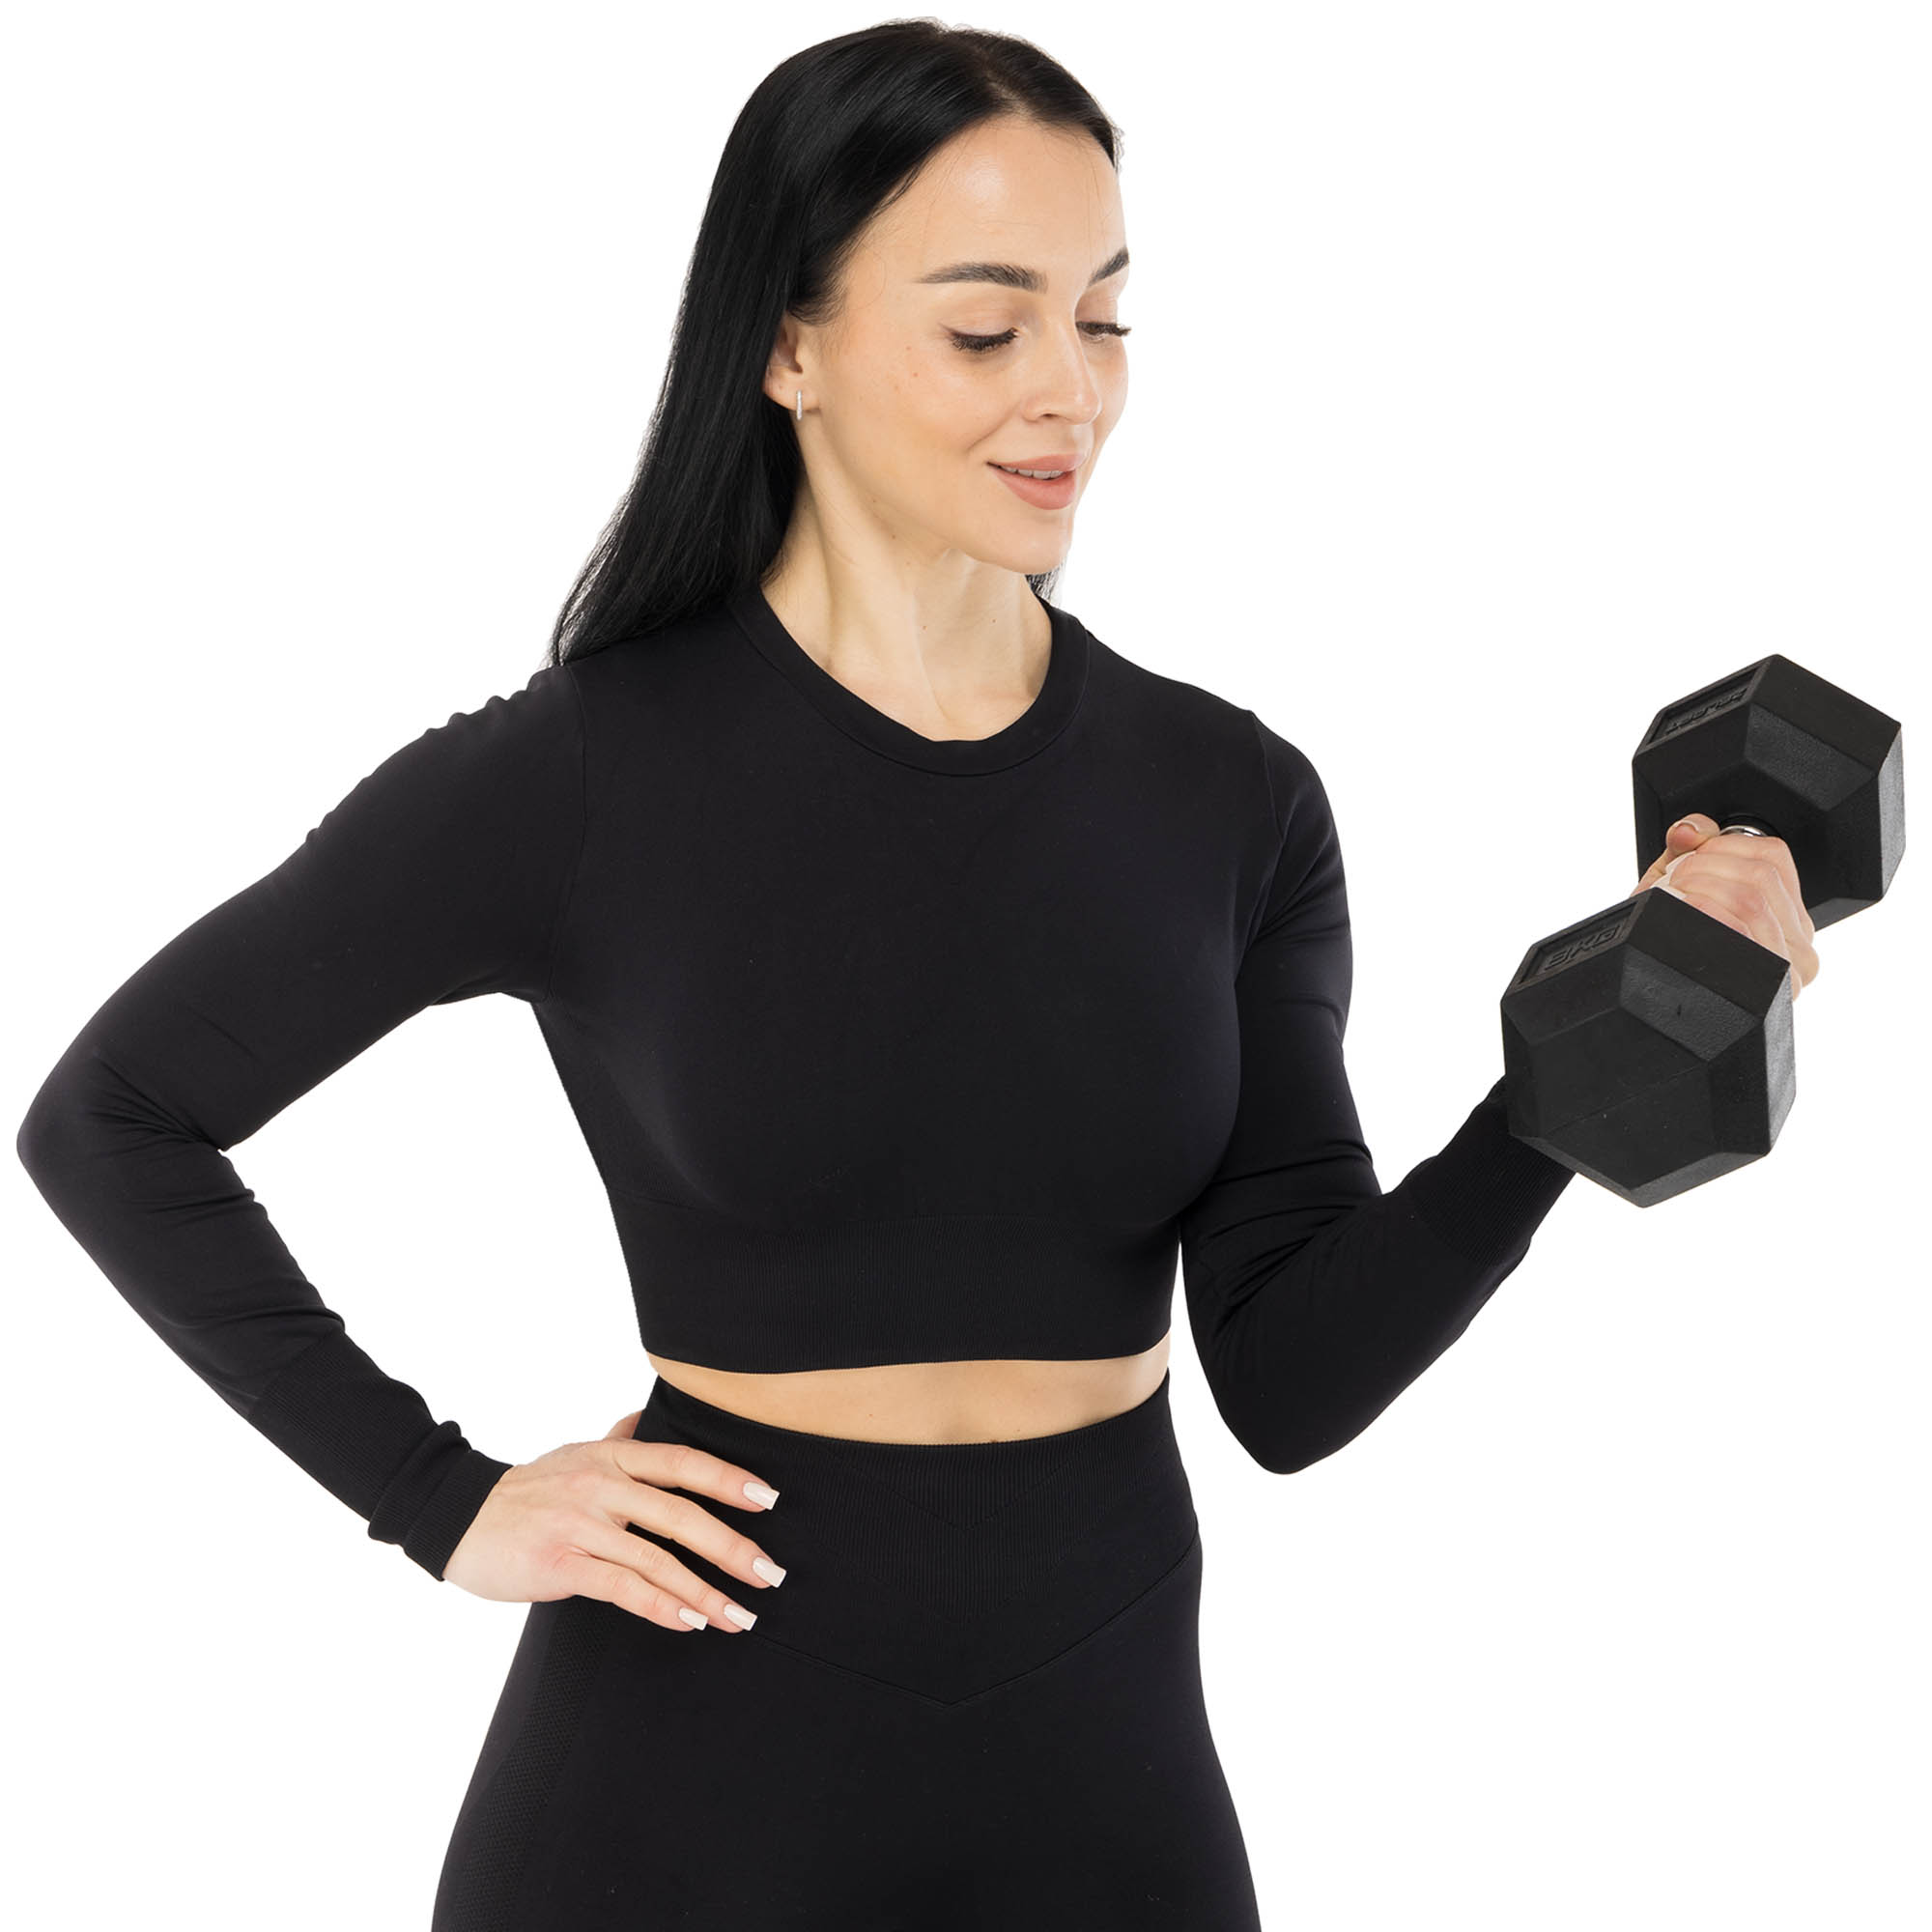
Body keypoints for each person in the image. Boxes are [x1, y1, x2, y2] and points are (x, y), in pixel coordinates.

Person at [14, 20, 1819, 1931]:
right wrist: (434, 1493)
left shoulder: (1230, 798)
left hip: (1101, 1772)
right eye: (985, 328)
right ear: (786, 346)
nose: (1071, 392)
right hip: (679, 1774)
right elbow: (113, 1116)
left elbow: (1292, 1380)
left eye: (1103, 318)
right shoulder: (577, 774)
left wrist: (1579, 1076)